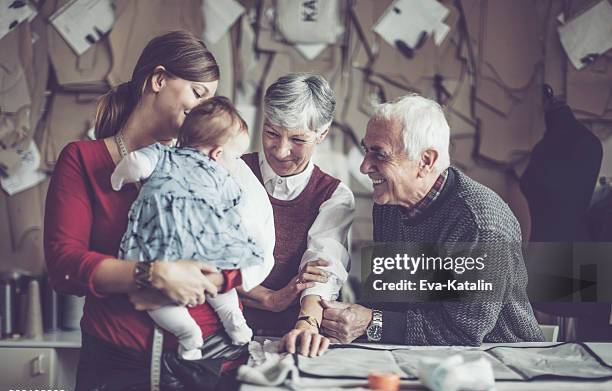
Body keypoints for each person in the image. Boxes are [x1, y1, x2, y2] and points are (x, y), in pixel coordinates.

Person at [44, 31, 246, 391]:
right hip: (115, 368)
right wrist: (150, 273)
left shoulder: (213, 167)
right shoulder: (84, 160)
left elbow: (242, 249)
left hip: (206, 364)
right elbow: (63, 266)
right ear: (158, 80)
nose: (203, 110)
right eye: (198, 94)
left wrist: (227, 281)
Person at [319, 94, 545, 346]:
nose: (364, 167)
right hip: (420, 354)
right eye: (366, 150)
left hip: (501, 361)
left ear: (426, 161)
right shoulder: (390, 203)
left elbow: (463, 333)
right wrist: (343, 315)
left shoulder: (480, 223)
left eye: (380, 155)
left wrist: (371, 322)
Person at [110, 96, 275, 360]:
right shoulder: (224, 176)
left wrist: (118, 179)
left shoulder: (164, 156)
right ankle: (234, 322)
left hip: (159, 243)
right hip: (203, 244)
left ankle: (188, 336)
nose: (236, 162)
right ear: (217, 154)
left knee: (160, 302)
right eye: (236, 156)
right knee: (219, 289)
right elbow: (239, 207)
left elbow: (136, 165)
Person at [238, 73, 355, 357]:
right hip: (225, 327)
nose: (281, 150)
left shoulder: (334, 195)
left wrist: (307, 324)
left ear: (322, 134)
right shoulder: (233, 171)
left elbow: (322, 266)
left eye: (298, 139)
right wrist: (269, 299)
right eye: (271, 133)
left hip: (290, 336)